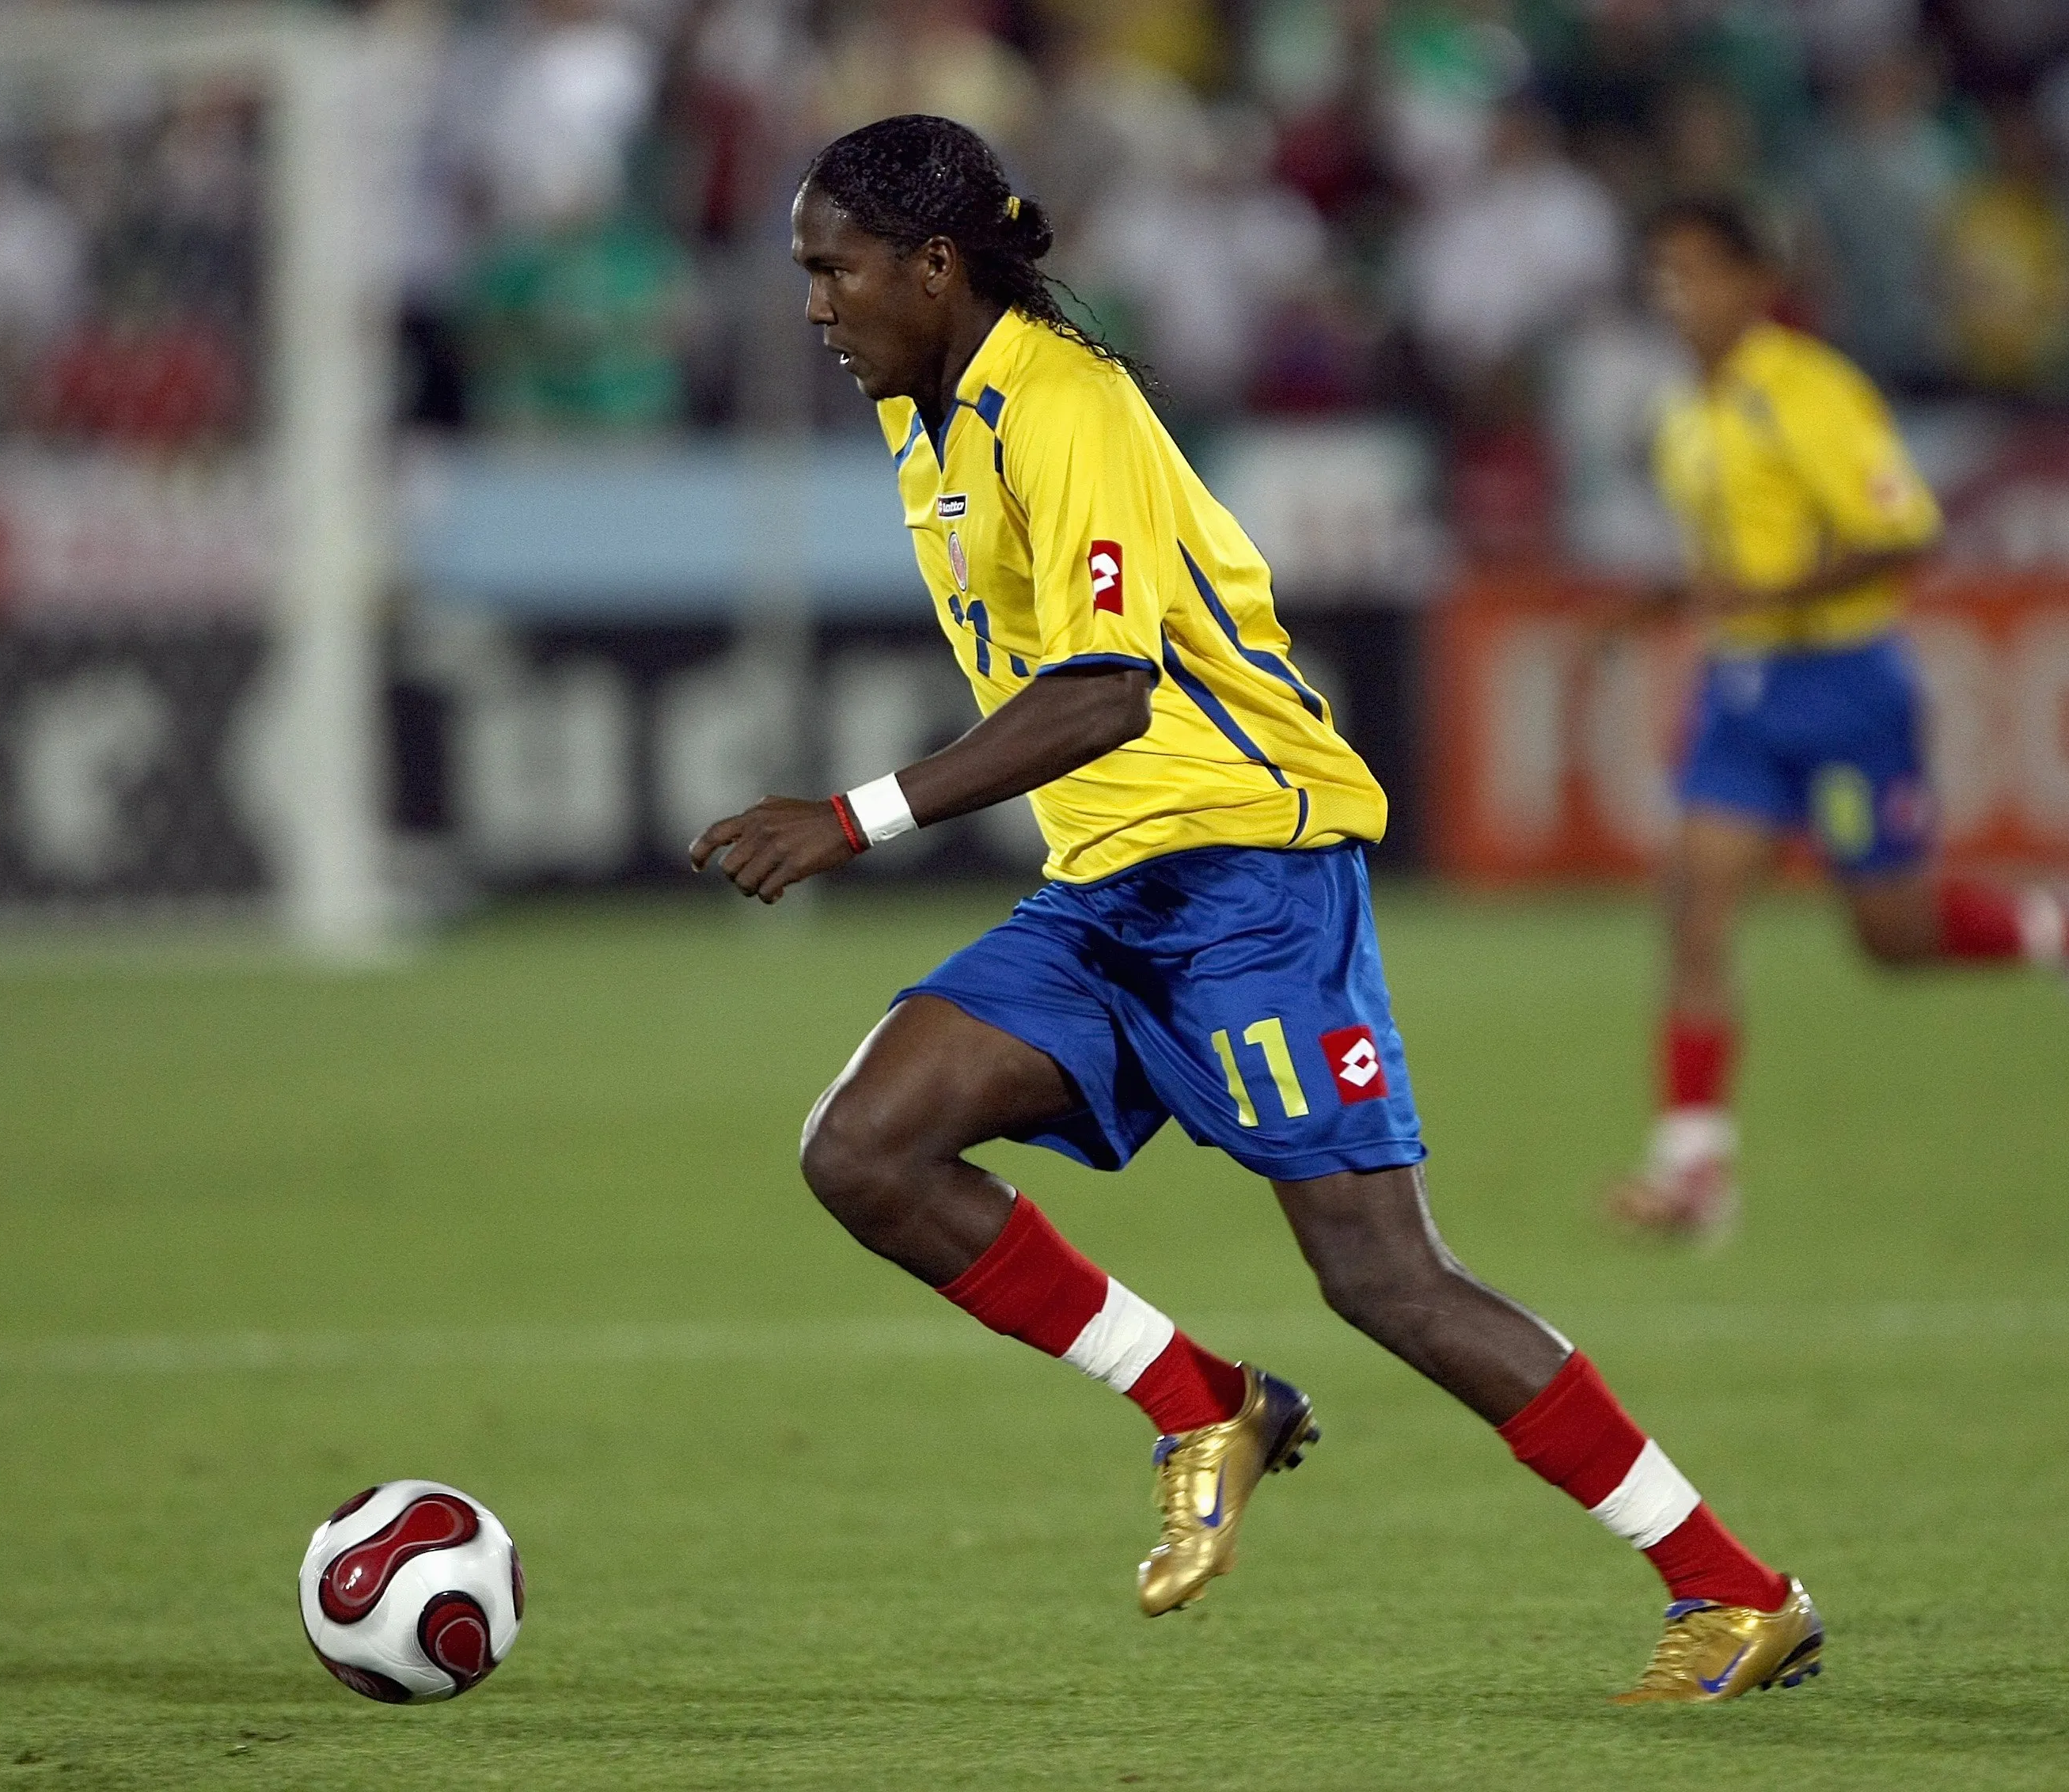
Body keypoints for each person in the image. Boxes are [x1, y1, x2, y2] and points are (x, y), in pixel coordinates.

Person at [692, 114, 1821, 1704]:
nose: (814, 305)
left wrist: (854, 816)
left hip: (1247, 875)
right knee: (863, 1146)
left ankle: (1734, 1588)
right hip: (1108, 890)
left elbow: (1100, 692)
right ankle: (1201, 1397)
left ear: (934, 266)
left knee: (1383, 1275)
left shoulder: (1064, 402)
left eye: (835, 269)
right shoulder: (925, 410)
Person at [1608, 198, 2069, 1240]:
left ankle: (2065, 926)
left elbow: (1902, 529)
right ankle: (1694, 1172)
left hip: (1848, 687)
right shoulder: (1686, 413)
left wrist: (1771, 596)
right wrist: (1655, 608)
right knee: (1695, 903)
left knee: (1890, 937)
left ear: (1752, 283)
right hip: (1743, 692)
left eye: (1693, 275)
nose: (1675, 299)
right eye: (1663, 277)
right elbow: (1729, 565)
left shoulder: (1806, 392)